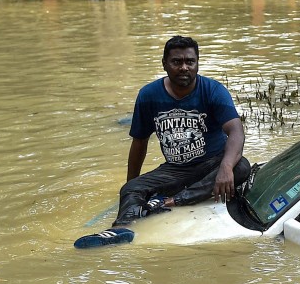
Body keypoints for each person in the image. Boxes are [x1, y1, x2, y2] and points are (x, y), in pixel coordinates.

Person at [75, 35, 250, 248]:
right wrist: (132, 185)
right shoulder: (149, 95)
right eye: (177, 62)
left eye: (190, 62)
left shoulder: (212, 90)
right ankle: (119, 230)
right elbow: (139, 142)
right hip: (175, 169)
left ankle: (170, 201)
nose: (184, 67)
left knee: (241, 167)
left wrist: (225, 167)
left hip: (211, 163)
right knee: (131, 189)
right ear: (165, 64)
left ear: (197, 63)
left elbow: (236, 131)